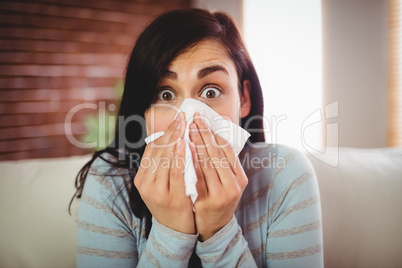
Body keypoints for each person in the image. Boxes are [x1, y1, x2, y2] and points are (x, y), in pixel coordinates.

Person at [72, 8, 323, 267]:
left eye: (211, 91)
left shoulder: (284, 174)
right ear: (143, 110)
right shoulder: (110, 183)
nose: (190, 115)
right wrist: (171, 233)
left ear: (243, 99)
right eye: (166, 95)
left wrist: (219, 232)